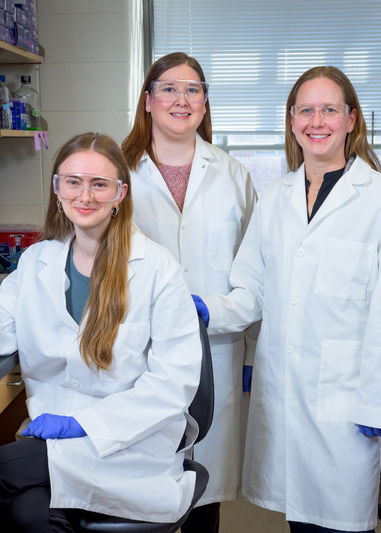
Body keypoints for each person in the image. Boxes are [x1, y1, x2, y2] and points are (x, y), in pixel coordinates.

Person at [0, 132, 204, 532]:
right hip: (57, 440)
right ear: (57, 189)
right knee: (30, 514)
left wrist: (85, 424)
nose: (85, 196)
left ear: (120, 193)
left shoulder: (156, 267)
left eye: (99, 184)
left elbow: (174, 384)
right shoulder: (38, 261)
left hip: (128, 441)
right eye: (73, 182)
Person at [197, 66, 381, 532]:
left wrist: (379, 404)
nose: (317, 121)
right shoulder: (274, 198)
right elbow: (252, 290)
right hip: (287, 388)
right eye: (306, 110)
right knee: (299, 519)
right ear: (292, 121)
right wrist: (205, 310)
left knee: (343, 522)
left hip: (348, 394)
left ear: (351, 120)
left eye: (330, 110)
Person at [121, 52, 258, 533]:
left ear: (204, 103)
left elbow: (254, 271)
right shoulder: (119, 172)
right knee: (141, 490)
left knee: (204, 493)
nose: (181, 99)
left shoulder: (233, 174)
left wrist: (250, 357)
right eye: (168, 88)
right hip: (138, 349)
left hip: (215, 346)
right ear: (148, 100)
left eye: (193, 89)